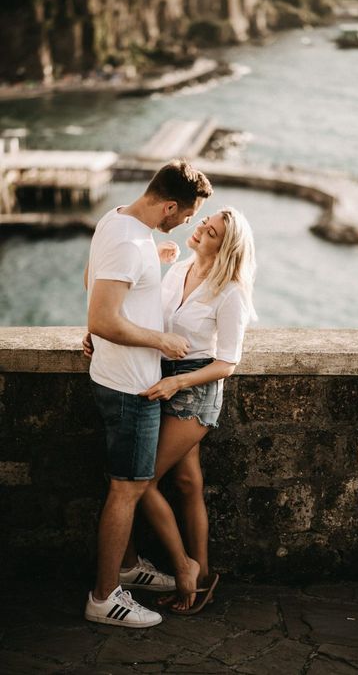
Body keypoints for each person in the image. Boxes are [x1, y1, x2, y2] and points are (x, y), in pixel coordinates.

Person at [84, 206, 256, 615]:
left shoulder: (230, 291)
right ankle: (204, 575)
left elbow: (227, 363)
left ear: (225, 246)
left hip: (193, 387)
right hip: (162, 374)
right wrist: (97, 334)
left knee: (143, 482)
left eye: (210, 231)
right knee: (187, 482)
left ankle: (186, 572)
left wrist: (177, 382)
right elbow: (143, 316)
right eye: (204, 222)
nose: (199, 229)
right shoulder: (178, 268)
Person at [83, 159, 213, 628]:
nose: (185, 225)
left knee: (126, 483)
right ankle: (104, 597)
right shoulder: (130, 241)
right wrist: (162, 340)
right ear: (170, 205)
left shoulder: (114, 221)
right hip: (131, 387)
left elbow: (93, 285)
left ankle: (125, 567)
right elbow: (102, 318)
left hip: (113, 374)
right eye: (185, 216)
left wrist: (151, 270)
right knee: (127, 489)